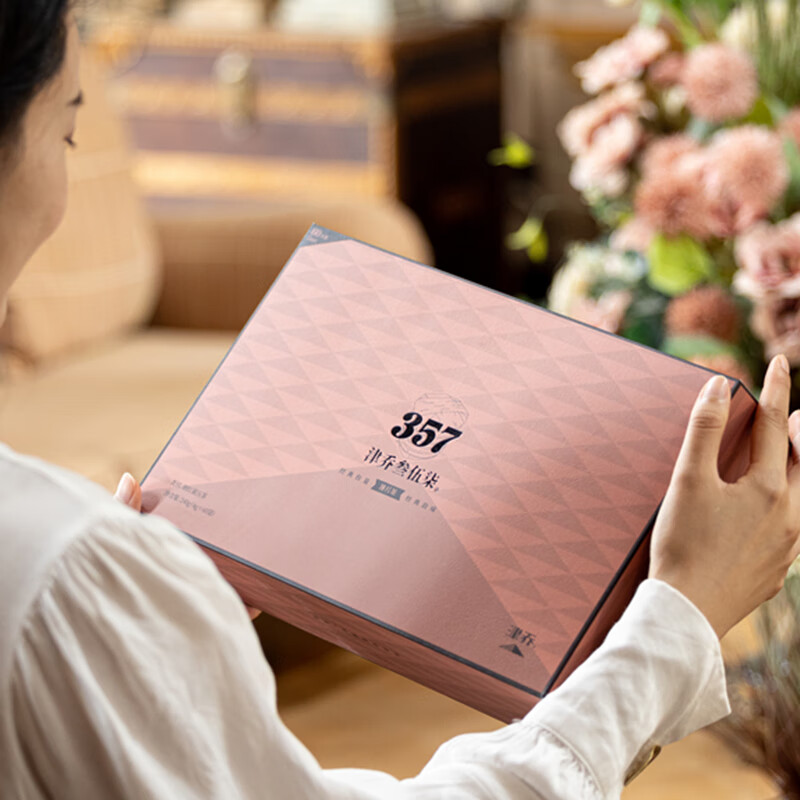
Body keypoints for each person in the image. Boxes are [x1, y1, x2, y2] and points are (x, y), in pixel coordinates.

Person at [1, 4, 799, 798]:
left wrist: (144, 640)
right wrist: (675, 620)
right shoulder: (63, 571)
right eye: (68, 132)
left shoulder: (67, 561)